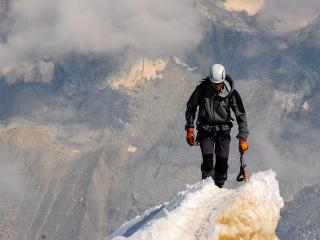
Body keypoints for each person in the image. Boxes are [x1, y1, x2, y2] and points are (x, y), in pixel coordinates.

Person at [185, 64, 249, 188]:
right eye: (214, 83)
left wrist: (243, 138)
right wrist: (190, 129)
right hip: (205, 130)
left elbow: (241, 115)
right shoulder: (202, 90)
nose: (217, 86)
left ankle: (218, 188)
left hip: (223, 131)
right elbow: (191, 108)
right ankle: (206, 189)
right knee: (208, 162)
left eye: (219, 83)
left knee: (222, 164)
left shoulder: (231, 93)